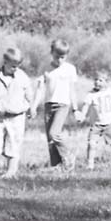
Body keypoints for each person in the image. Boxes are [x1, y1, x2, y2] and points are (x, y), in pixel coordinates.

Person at [34, 39, 81, 169]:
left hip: (63, 105)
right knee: (50, 138)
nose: (59, 60)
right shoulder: (45, 68)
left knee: (54, 133)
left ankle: (68, 154)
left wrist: (75, 109)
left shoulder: (70, 69)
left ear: (66, 56)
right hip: (49, 104)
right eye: (56, 57)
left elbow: (72, 90)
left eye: (62, 57)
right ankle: (57, 165)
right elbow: (39, 88)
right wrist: (34, 106)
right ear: (51, 53)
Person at [0, 47, 34, 178]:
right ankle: (8, 162)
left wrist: (31, 107)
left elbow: (29, 94)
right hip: (0, 115)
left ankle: (11, 171)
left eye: (18, 66)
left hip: (17, 116)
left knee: (14, 143)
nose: (15, 69)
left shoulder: (22, 76)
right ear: (5, 62)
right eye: (13, 66)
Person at [76, 71, 111, 169]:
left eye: (100, 80)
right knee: (91, 144)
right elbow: (85, 106)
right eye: (96, 80)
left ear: (106, 82)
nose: (97, 82)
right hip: (96, 124)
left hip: (109, 124)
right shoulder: (90, 94)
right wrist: (82, 115)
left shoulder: (110, 91)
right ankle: (90, 165)